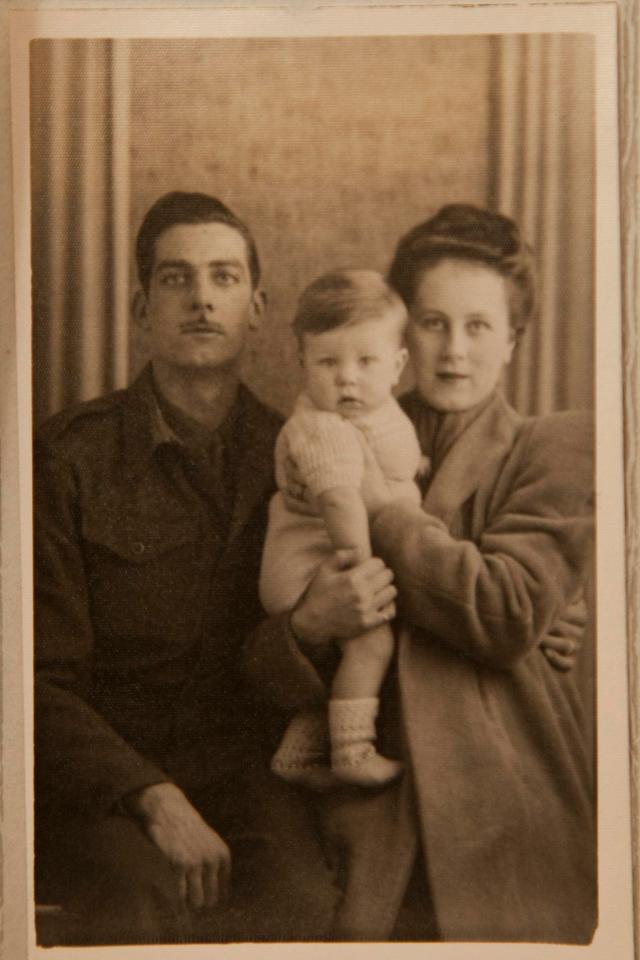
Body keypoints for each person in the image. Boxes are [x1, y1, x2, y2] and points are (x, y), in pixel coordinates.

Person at [245, 204, 596, 943]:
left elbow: (504, 613)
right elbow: (249, 655)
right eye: (433, 324)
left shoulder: (554, 448)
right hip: (373, 806)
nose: (454, 351)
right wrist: (309, 625)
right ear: (402, 339)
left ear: (513, 341)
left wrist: (378, 507)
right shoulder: (325, 428)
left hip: (503, 799)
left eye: (478, 327)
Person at [33, 191, 338, 945]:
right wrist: (149, 796)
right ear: (141, 307)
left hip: (240, 772)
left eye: (224, 278)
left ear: (257, 306)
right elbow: (32, 676)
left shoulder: (297, 455)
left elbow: (400, 553)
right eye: (176, 279)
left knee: (306, 901)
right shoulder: (68, 458)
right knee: (139, 900)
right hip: (101, 783)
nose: (202, 298)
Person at [259, 270, 422, 790]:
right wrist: (361, 569)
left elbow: (393, 461)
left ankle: (300, 752)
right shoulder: (323, 428)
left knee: (334, 663)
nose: (347, 378)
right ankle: (353, 750)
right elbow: (340, 500)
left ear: (397, 366)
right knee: (369, 642)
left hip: (324, 562)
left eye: (365, 362)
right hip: (311, 567)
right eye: (328, 362)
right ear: (302, 363)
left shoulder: (378, 412)